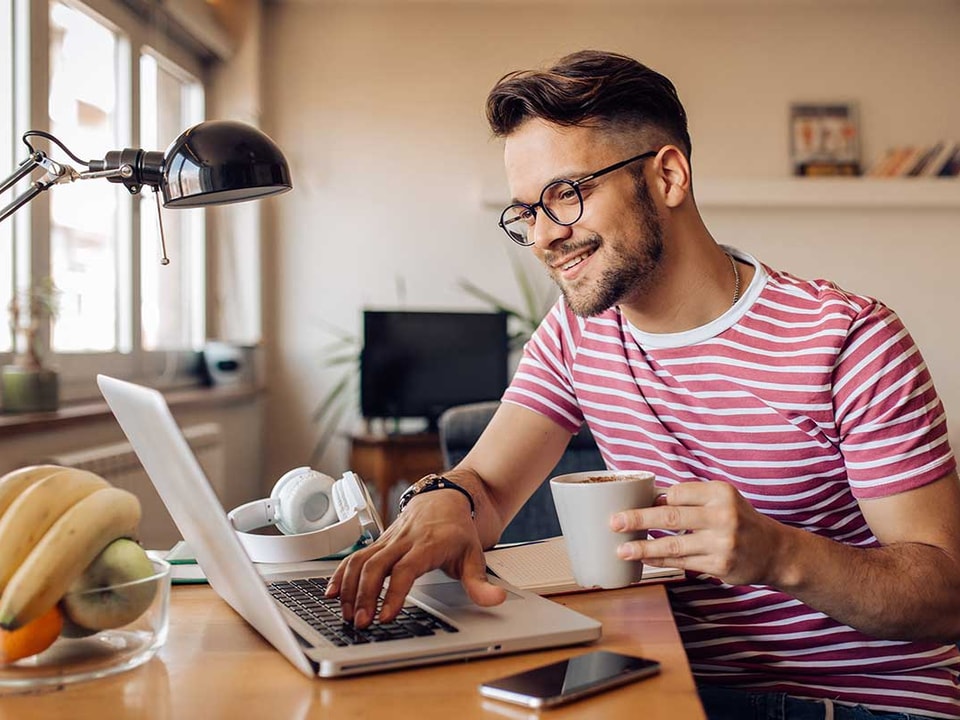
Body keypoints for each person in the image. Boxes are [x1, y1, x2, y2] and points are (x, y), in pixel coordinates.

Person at [327, 50, 960, 719]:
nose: (544, 237)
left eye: (566, 194)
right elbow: (485, 485)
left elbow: (945, 593)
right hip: (667, 687)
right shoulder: (578, 335)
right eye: (526, 213)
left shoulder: (847, 338)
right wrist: (443, 499)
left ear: (667, 176)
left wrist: (778, 554)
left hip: (857, 702)